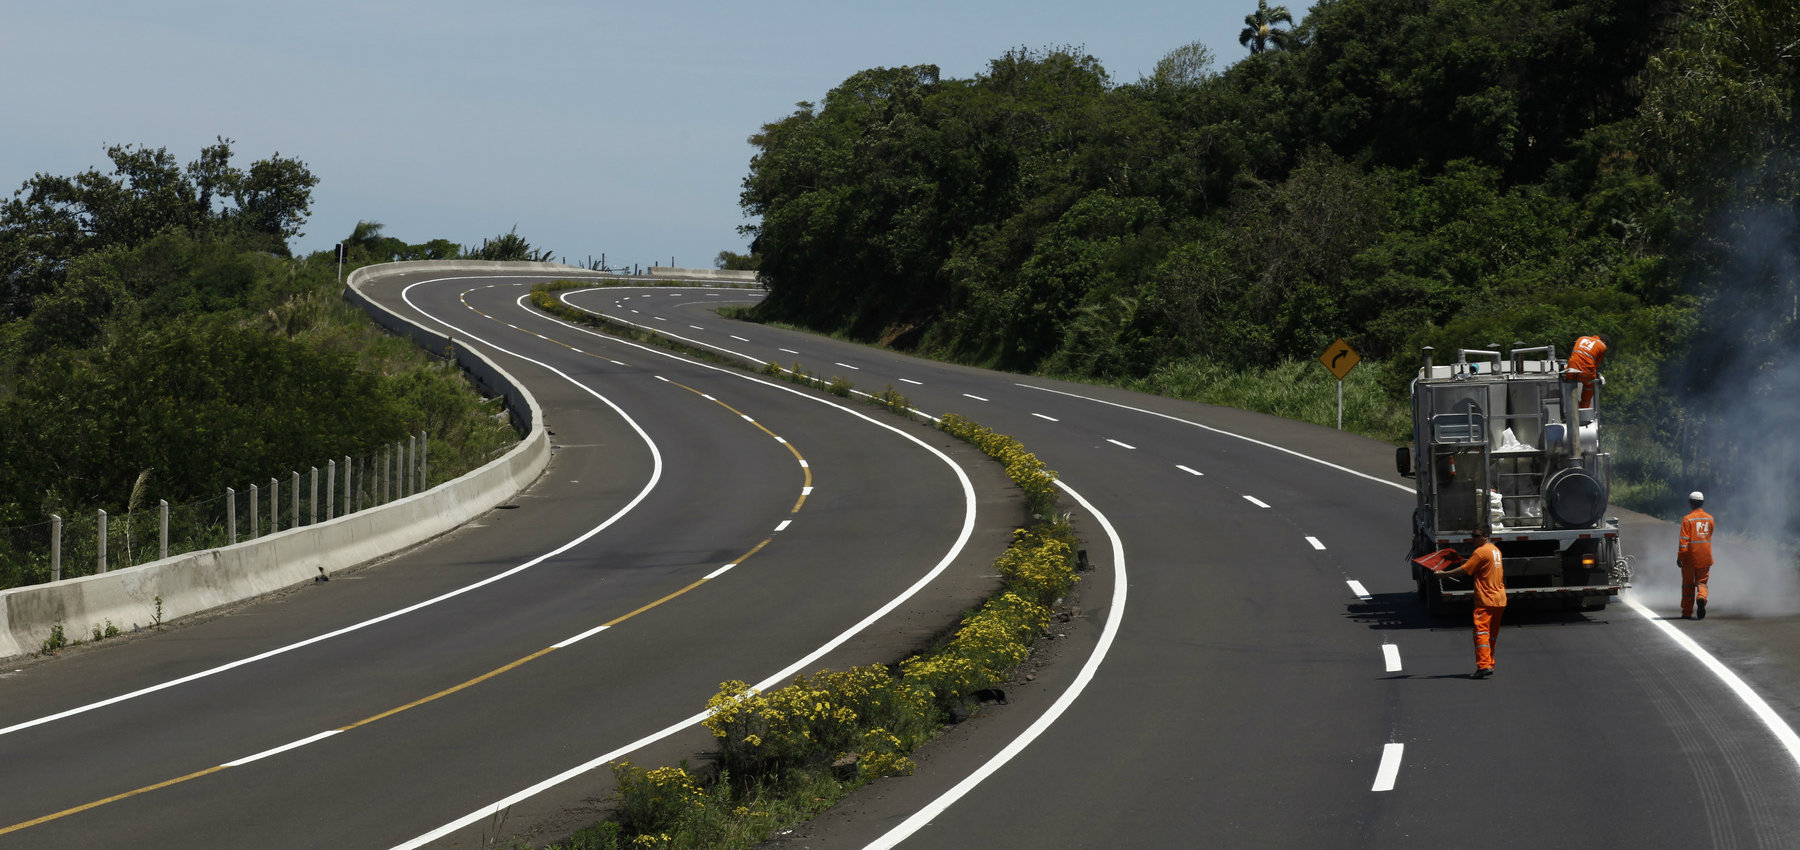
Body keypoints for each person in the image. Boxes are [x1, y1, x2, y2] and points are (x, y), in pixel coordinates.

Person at [1436, 524, 1506, 678]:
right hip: (1500, 599)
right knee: (1492, 634)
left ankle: (1483, 666)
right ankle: (1489, 663)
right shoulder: (1495, 551)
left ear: (1485, 535)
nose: (1472, 539)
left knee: (1481, 632)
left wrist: (1443, 575)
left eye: (1476, 536)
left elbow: (1464, 570)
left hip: (1486, 599)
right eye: (1472, 535)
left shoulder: (1480, 552)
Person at [1678, 491, 1715, 619]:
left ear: (1690, 503)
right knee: (1702, 583)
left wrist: (1680, 557)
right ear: (1702, 502)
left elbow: (1684, 541)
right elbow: (1709, 535)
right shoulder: (1710, 518)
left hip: (1689, 559)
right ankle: (1701, 598)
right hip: (1705, 557)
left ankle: (1687, 612)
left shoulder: (1687, 519)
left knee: (1688, 586)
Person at [1564, 334, 1609, 410]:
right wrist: (1598, 375)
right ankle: (1584, 407)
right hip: (1585, 373)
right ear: (1604, 342)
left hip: (1571, 370)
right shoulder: (1602, 346)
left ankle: (1571, 408)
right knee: (1589, 384)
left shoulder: (1581, 338)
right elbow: (1596, 365)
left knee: (1571, 388)